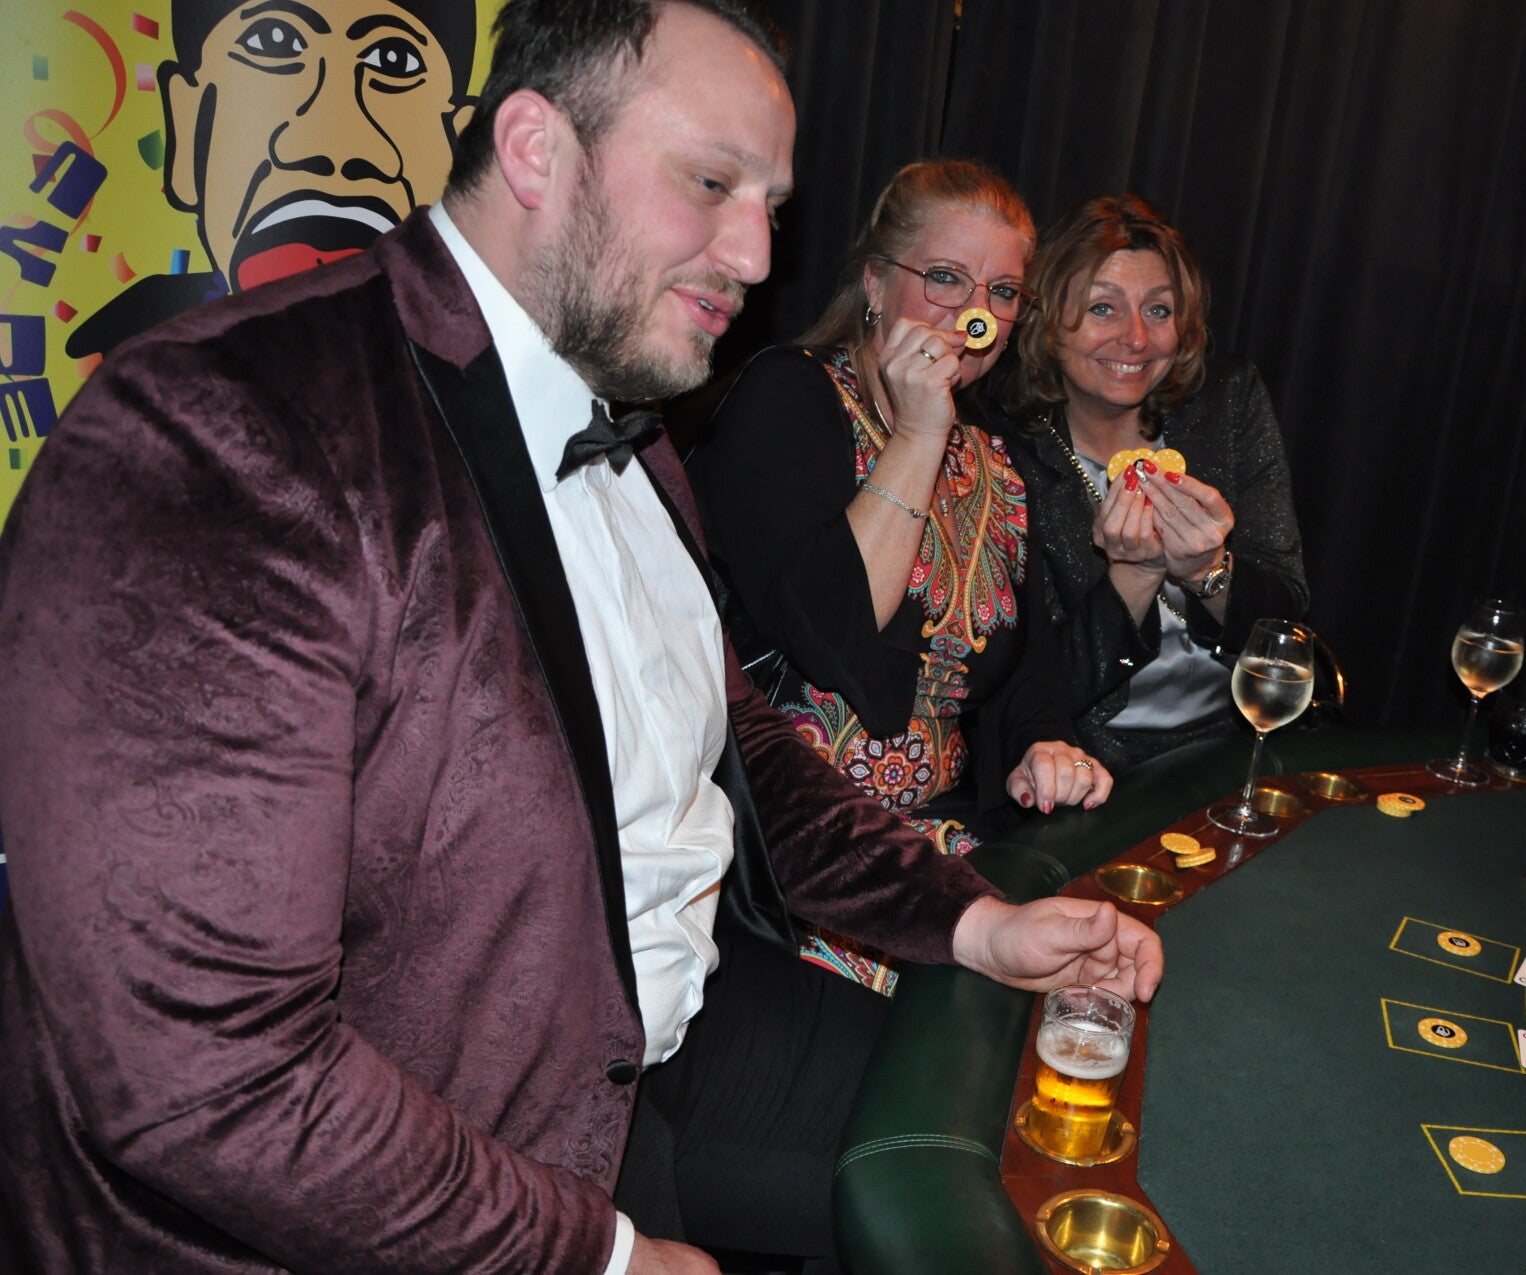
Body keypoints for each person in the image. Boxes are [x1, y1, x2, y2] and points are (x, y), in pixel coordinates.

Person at [0, 5, 1161, 1274]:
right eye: (711, 184)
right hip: (421, 1160)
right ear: (535, 149)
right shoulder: (215, 432)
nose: (756, 255)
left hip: (664, 1029)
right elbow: (205, 1074)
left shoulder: (631, 429)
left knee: (1022, 1174)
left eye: (770, 207)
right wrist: (594, 1255)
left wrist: (972, 920)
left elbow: (744, 753)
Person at [690, 160, 1111, 996]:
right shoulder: (791, 398)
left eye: (1002, 292)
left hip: (936, 844)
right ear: (876, 284)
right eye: (946, 278)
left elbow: (1022, 667)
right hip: (783, 865)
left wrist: (1044, 744)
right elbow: (836, 635)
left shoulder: (998, 459)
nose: (974, 316)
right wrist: (918, 437)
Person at [1000, 195, 1310, 772]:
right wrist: (1134, 577)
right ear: (1046, 319)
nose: (1137, 338)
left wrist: (1208, 572)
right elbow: (1031, 694)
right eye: (1103, 308)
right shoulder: (1003, 449)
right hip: (1093, 764)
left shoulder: (1226, 402)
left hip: (1245, 737)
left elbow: (1286, 622)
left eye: (1159, 310)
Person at [69, 0, 479, 359]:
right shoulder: (115, 380)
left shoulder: (494, 371)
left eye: (393, 61)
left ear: (460, 144)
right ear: (188, 126)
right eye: (274, 40)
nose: (335, 151)